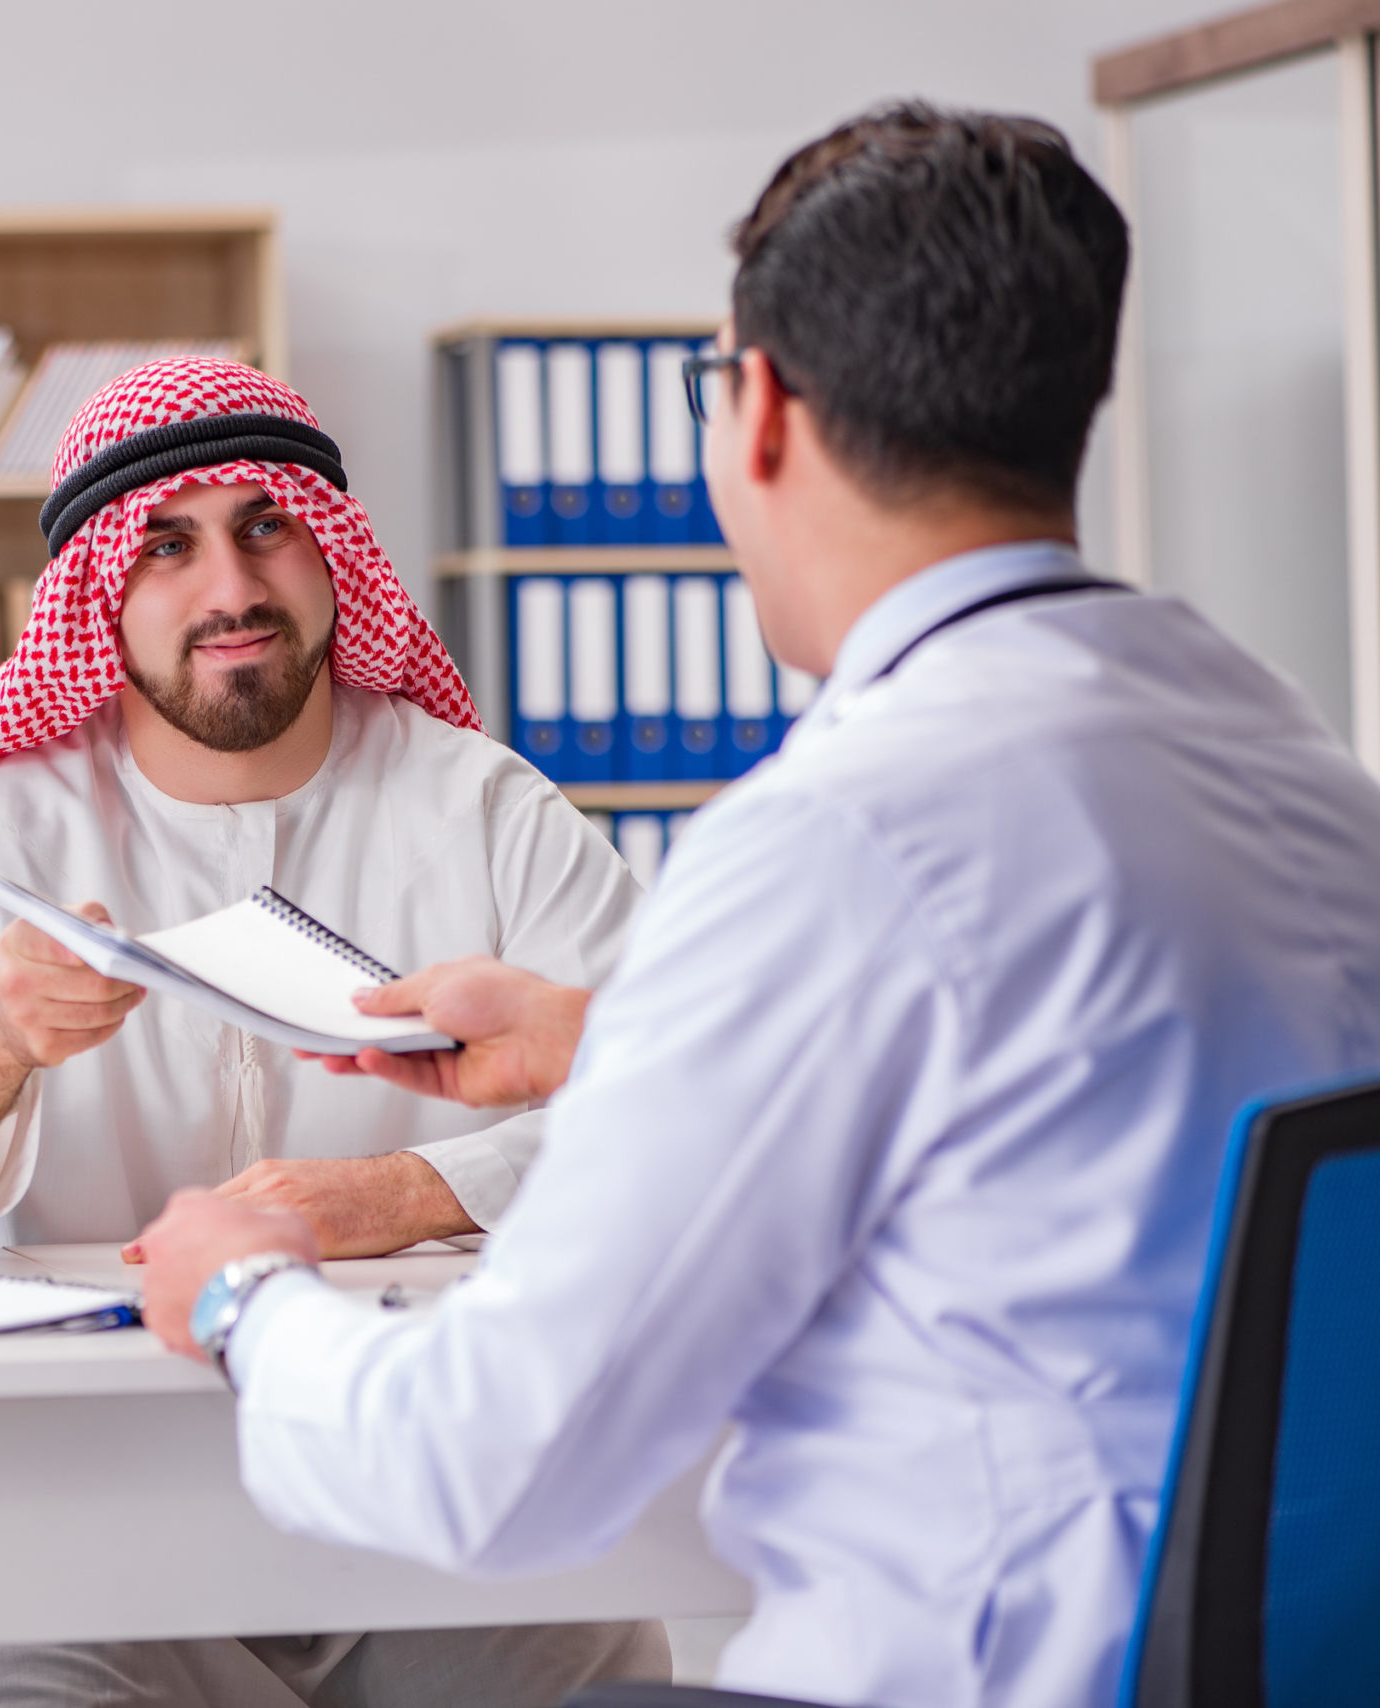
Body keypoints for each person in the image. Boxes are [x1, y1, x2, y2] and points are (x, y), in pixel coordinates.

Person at [132, 103, 1380, 1708]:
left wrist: (242, 1296)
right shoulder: (1296, 763)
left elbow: (497, 1466)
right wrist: (620, 1042)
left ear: (764, 409)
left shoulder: (840, 839)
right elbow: (1070, 1088)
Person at [0, 358, 666, 1705]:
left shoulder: (487, 811)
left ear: (330, 552)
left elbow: (677, 1121)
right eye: (167, 546)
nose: (231, 592)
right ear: (93, 592)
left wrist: (403, 1195)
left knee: (587, 1628)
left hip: (423, 1486)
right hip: (86, 1512)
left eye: (267, 528)